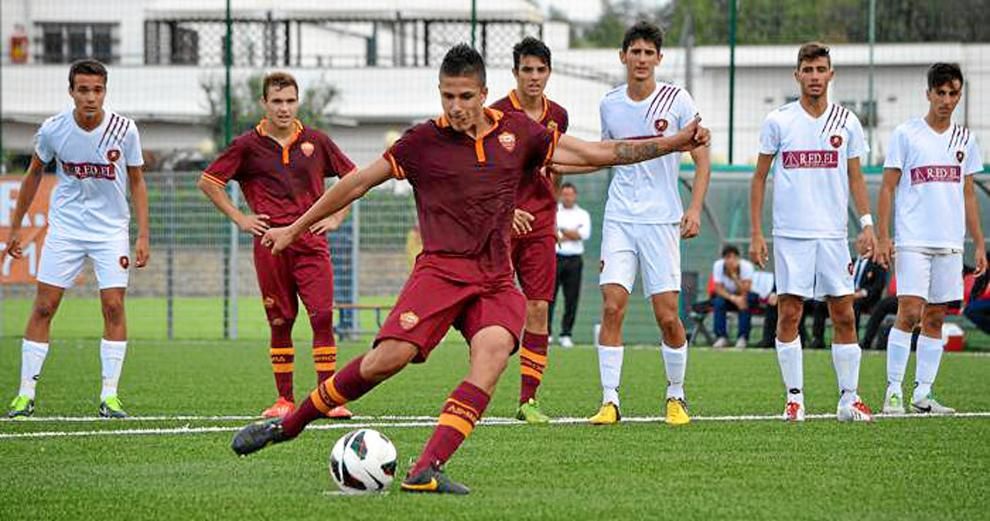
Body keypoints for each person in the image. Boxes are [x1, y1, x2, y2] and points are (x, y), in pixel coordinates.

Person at [229, 44, 709, 494]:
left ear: (483, 94)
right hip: (439, 272)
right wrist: (294, 228)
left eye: (464, 97)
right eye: (447, 96)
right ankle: (288, 425)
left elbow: (596, 154)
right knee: (385, 361)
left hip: (495, 281)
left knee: (494, 352)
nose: (454, 106)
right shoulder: (421, 142)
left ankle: (426, 469)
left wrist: (673, 143)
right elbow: (354, 184)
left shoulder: (518, 133)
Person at [198, 72, 356, 419]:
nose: (284, 108)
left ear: (298, 102)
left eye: (290, 101)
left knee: (323, 316)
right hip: (270, 245)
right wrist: (240, 218)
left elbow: (353, 179)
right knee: (280, 320)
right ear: (264, 104)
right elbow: (209, 182)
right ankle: (284, 400)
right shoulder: (246, 146)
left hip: (311, 242)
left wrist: (336, 217)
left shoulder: (317, 141)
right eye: (277, 101)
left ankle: (327, 399)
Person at [3, 59, 149, 418]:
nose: (90, 97)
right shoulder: (54, 129)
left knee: (113, 306)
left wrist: (143, 234)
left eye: (97, 90)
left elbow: (137, 181)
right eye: (83, 90)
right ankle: (25, 394)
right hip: (66, 229)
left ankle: (109, 397)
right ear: (71, 92)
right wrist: (17, 226)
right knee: (44, 307)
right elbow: (34, 175)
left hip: (110, 230)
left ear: (105, 92)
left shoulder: (124, 129)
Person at [584, 21, 712, 427]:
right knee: (612, 306)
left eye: (648, 52)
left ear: (659, 58)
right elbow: (607, 154)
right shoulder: (610, 104)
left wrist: (693, 208)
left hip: (661, 220)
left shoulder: (677, 99)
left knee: (667, 316)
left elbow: (702, 154)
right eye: (634, 52)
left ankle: (676, 395)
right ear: (623, 56)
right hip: (620, 216)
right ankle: (609, 401)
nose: (641, 59)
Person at [750, 42, 876, 422]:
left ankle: (849, 398)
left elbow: (856, 177)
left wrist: (867, 224)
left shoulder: (847, 121)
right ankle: (794, 398)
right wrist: (757, 233)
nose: (815, 77)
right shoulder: (779, 121)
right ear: (797, 75)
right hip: (791, 234)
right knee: (790, 313)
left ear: (831, 74)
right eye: (808, 70)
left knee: (844, 313)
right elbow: (758, 178)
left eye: (821, 69)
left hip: (833, 235)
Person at [875, 63, 986, 415]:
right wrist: (883, 235)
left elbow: (968, 195)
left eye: (953, 93)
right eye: (940, 93)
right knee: (909, 312)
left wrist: (979, 243)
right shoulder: (907, 135)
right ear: (928, 94)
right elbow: (888, 187)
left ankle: (923, 393)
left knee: (936, 317)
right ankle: (893, 390)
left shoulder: (965, 139)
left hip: (950, 243)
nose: (947, 100)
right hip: (912, 240)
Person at [489, 37, 569, 423]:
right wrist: (506, 211)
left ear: (549, 73)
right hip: (499, 227)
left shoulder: (559, 116)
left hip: (539, 227)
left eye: (540, 70)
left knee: (538, 307)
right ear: (515, 73)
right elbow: (482, 177)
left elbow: (553, 168)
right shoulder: (494, 114)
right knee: (494, 312)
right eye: (527, 70)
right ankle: (480, 384)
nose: (534, 77)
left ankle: (528, 401)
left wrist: (550, 216)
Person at [549, 182, 592, 348]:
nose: (567, 197)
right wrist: (572, 232)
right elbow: (553, 236)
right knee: (549, 297)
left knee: (571, 298)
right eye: (564, 194)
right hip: (555, 258)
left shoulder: (583, 214)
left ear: (575, 195)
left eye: (570, 194)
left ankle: (566, 334)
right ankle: (548, 334)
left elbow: (584, 234)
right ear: (560, 195)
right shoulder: (554, 212)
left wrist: (562, 230)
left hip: (574, 260)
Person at [711, 245, 759, 348]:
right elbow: (718, 289)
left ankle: (742, 337)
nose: (731, 260)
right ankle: (721, 337)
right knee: (718, 302)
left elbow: (746, 289)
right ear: (723, 259)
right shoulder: (718, 266)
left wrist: (734, 276)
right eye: (728, 257)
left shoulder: (747, 266)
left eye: (734, 257)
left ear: (738, 258)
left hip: (746, 295)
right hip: (730, 297)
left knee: (746, 301)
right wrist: (733, 298)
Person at [963, 258, 990, 333]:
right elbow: (975, 291)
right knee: (969, 310)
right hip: (985, 302)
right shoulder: (984, 273)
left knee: (970, 309)